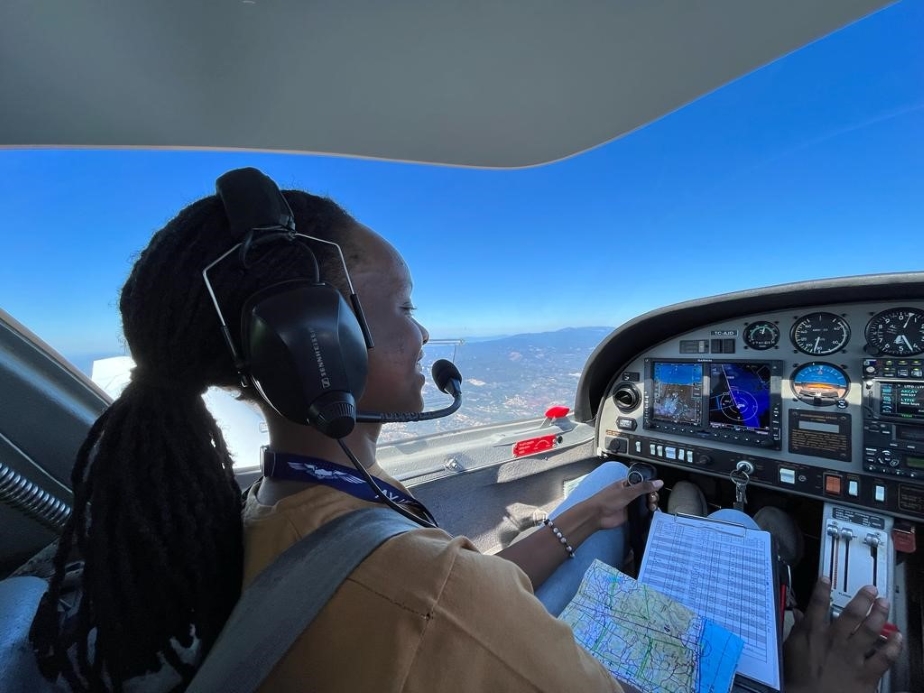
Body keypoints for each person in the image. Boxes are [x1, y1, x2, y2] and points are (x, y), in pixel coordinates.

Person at [33, 169, 902, 692]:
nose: (421, 335)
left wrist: (576, 521)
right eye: (403, 308)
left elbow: (450, 595)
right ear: (314, 347)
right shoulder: (428, 592)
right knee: (741, 525)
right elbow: (447, 604)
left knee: (605, 491)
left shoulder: (274, 509)